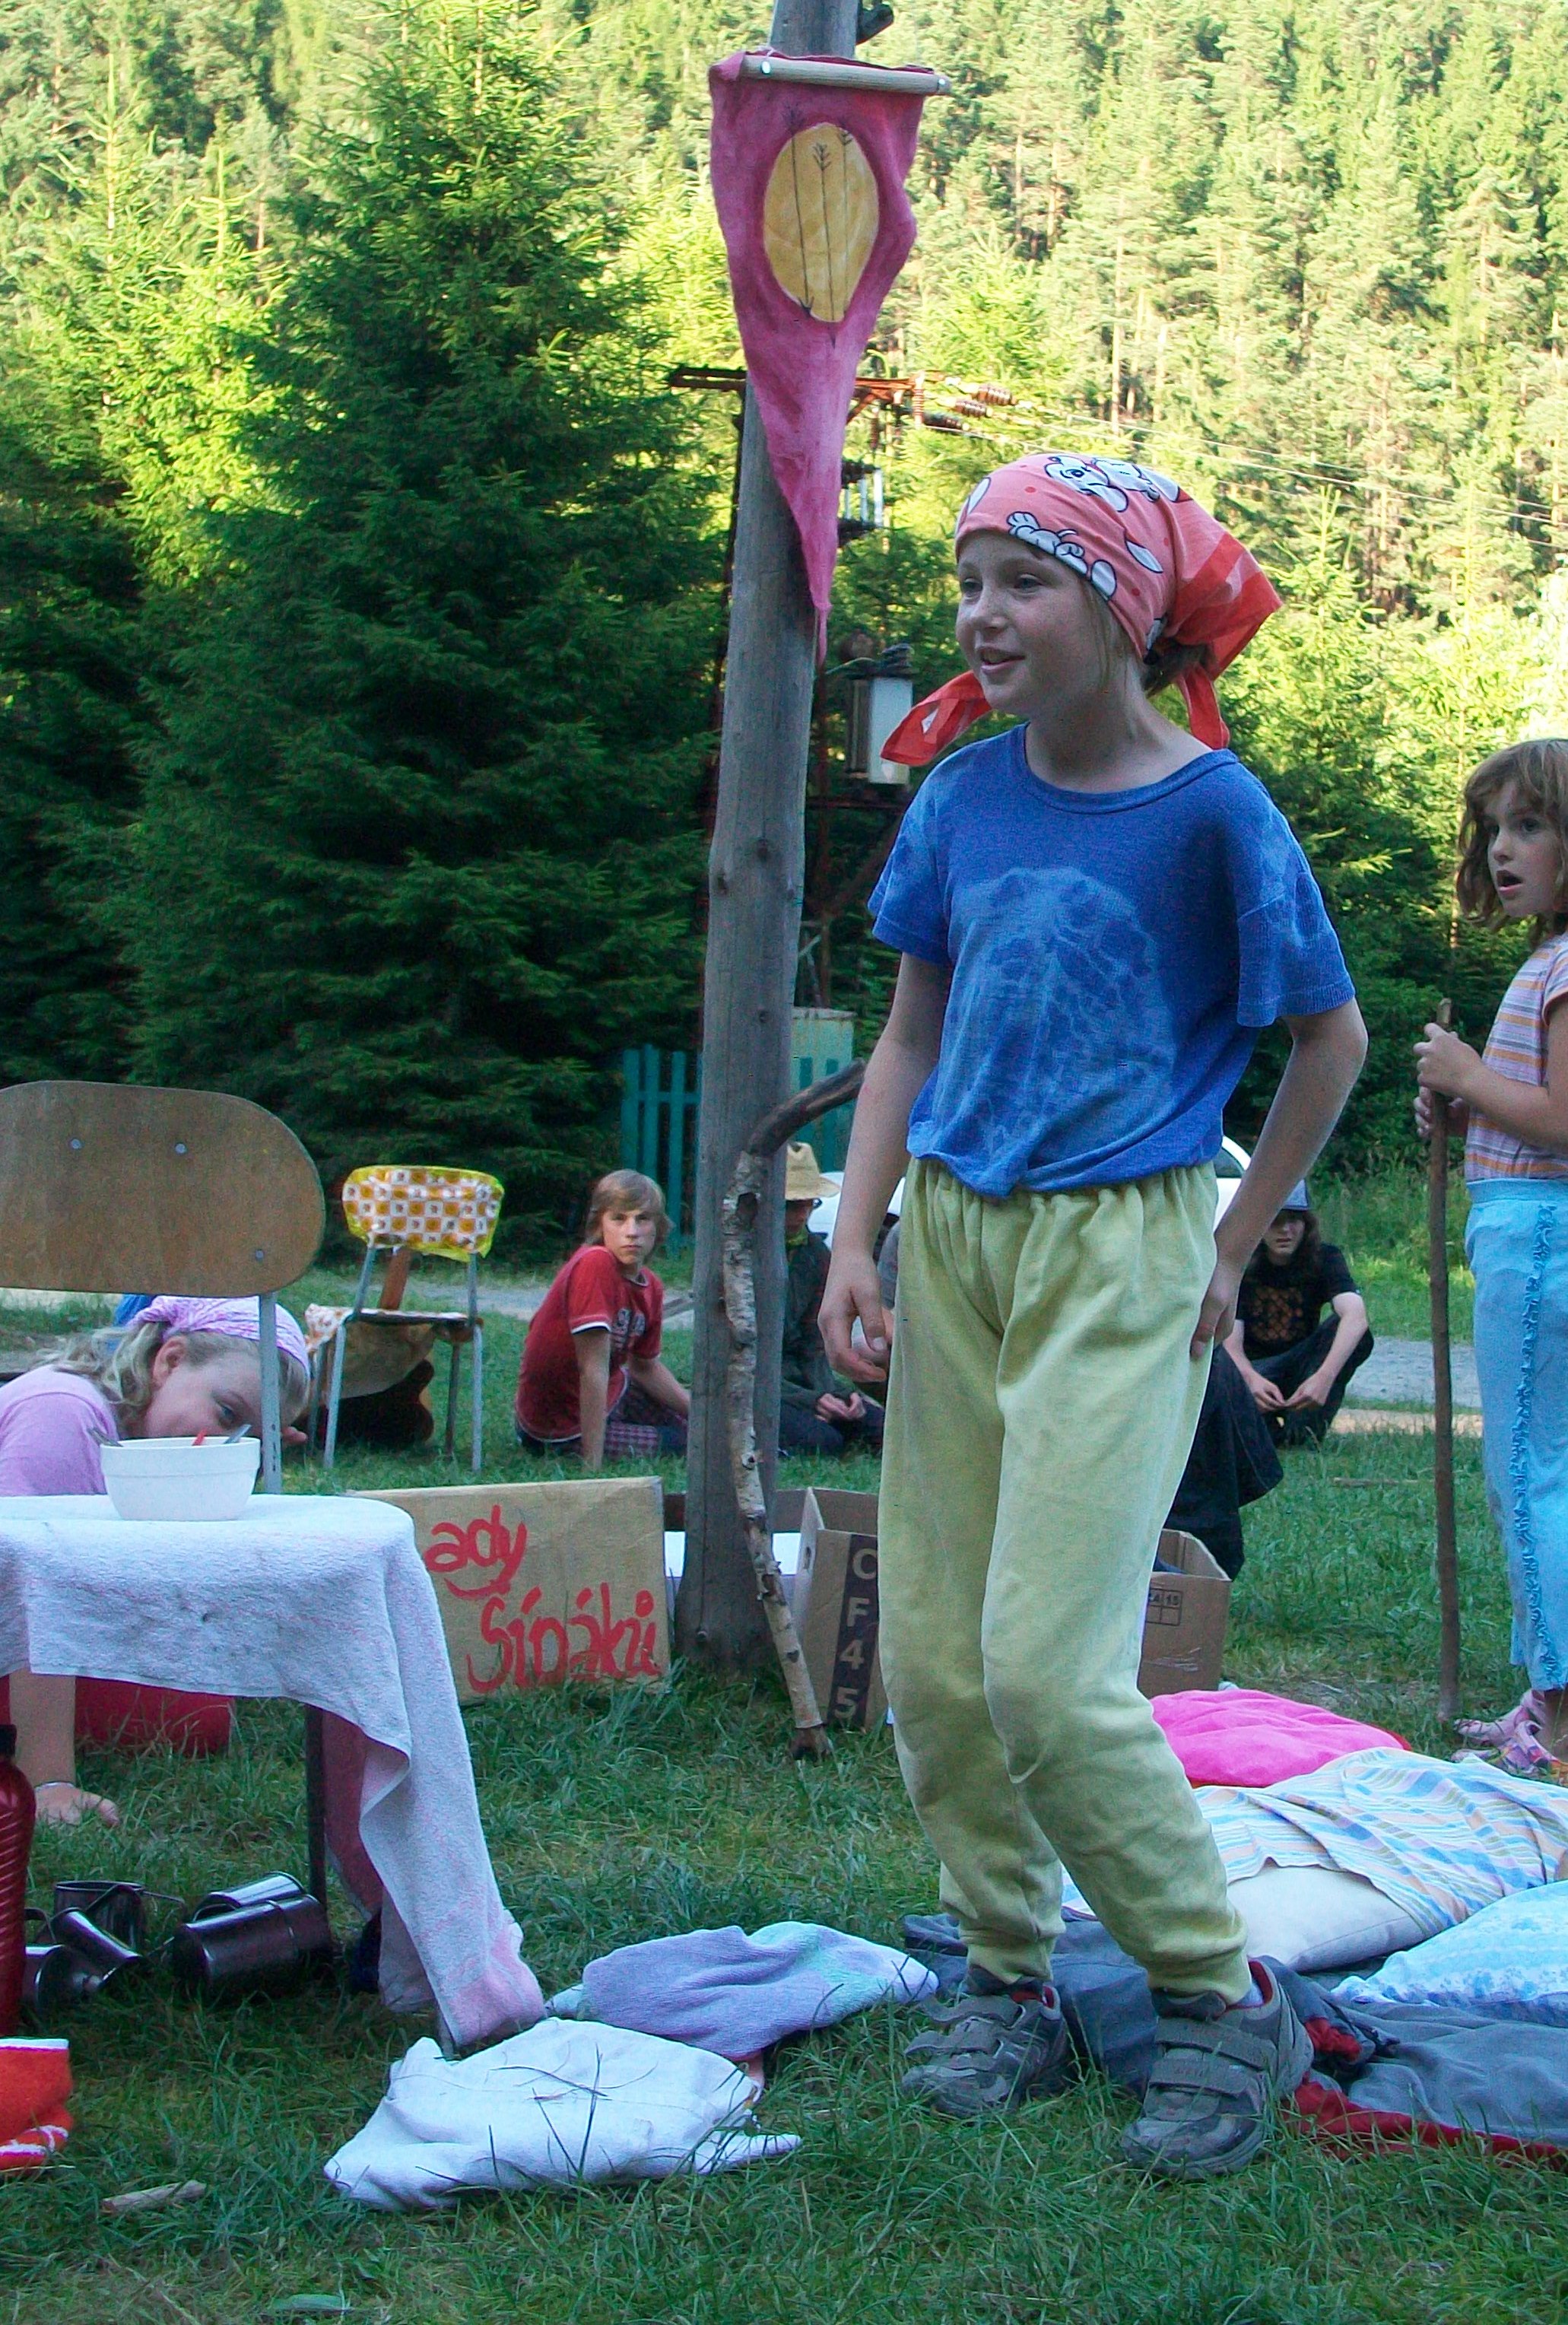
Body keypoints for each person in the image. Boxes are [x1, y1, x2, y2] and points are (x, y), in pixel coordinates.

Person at [819, 449, 1366, 2177]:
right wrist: (853, 1236)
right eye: (968, 580)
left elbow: (1327, 1038)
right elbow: (907, 1036)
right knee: (930, 1658)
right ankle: (1008, 1969)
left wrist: (1233, 1241)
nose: (979, 614)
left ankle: (1215, 1993)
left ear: (1120, 611)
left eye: (1023, 580)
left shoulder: (1210, 811)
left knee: (1048, 1673)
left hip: (1121, 1249)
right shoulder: (961, 796)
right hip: (952, 1238)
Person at [0, 1296, 311, 1826]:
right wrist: (48, 1780)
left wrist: (236, 1471)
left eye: (251, 1439)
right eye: (227, 1414)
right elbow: (30, 1587)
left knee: (206, 1686)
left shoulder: (147, 1443)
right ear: (170, 1360)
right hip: (20, 1630)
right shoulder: (65, 1412)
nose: (220, 1443)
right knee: (199, 1711)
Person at [1415, 738, 1568, 1768]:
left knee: (1527, 1473)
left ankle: (1559, 1716)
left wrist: (1469, 1077)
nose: (1501, 850)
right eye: (1493, 831)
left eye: (1529, 825)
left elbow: (1561, 1120)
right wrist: (1467, 1110)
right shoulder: (1547, 960)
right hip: (1532, 1220)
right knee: (1548, 1466)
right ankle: (1546, 1689)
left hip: (1539, 1233)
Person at [514, 1170, 689, 1466]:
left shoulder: (652, 1287)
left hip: (614, 1391)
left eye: (643, 1219)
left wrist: (701, 1414)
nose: (631, 1231)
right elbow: (591, 1369)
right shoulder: (594, 1263)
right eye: (619, 1219)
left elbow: (644, 1367)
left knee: (701, 1431)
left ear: (658, 1228)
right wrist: (592, 1466)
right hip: (562, 1426)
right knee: (683, 1443)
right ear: (600, 1225)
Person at [1227, 1184, 1373, 1446]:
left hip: (1303, 1369)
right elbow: (1229, 1339)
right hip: (1253, 1372)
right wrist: (1250, 1378)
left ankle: (1304, 1428)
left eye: (1293, 1220)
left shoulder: (1325, 1257)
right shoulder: (1242, 1262)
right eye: (1276, 1220)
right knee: (1219, 1368)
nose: (1285, 1230)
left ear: (1307, 1225)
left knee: (1355, 1335)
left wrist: (1325, 1377)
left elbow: (1356, 1316)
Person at [779, 1142, 884, 1457]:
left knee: (879, 1428)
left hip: (801, 1381)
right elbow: (740, 1360)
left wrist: (835, 1395)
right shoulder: (741, 1257)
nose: (801, 1215)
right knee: (823, 1442)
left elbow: (814, 1345)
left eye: (808, 1204)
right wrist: (808, 1401)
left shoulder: (815, 1255)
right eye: (791, 1206)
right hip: (755, 1387)